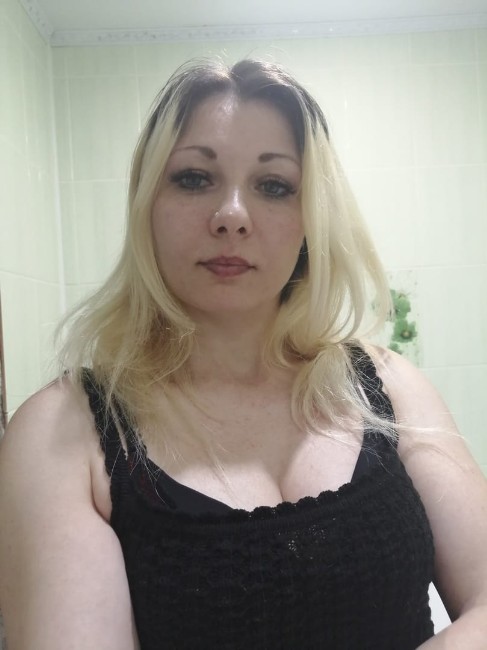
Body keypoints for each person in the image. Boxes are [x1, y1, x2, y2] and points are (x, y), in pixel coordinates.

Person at [0, 58, 486, 650]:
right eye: (193, 178)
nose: (231, 215)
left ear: (310, 219)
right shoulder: (62, 433)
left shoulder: (388, 386)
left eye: (274, 186)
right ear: (145, 204)